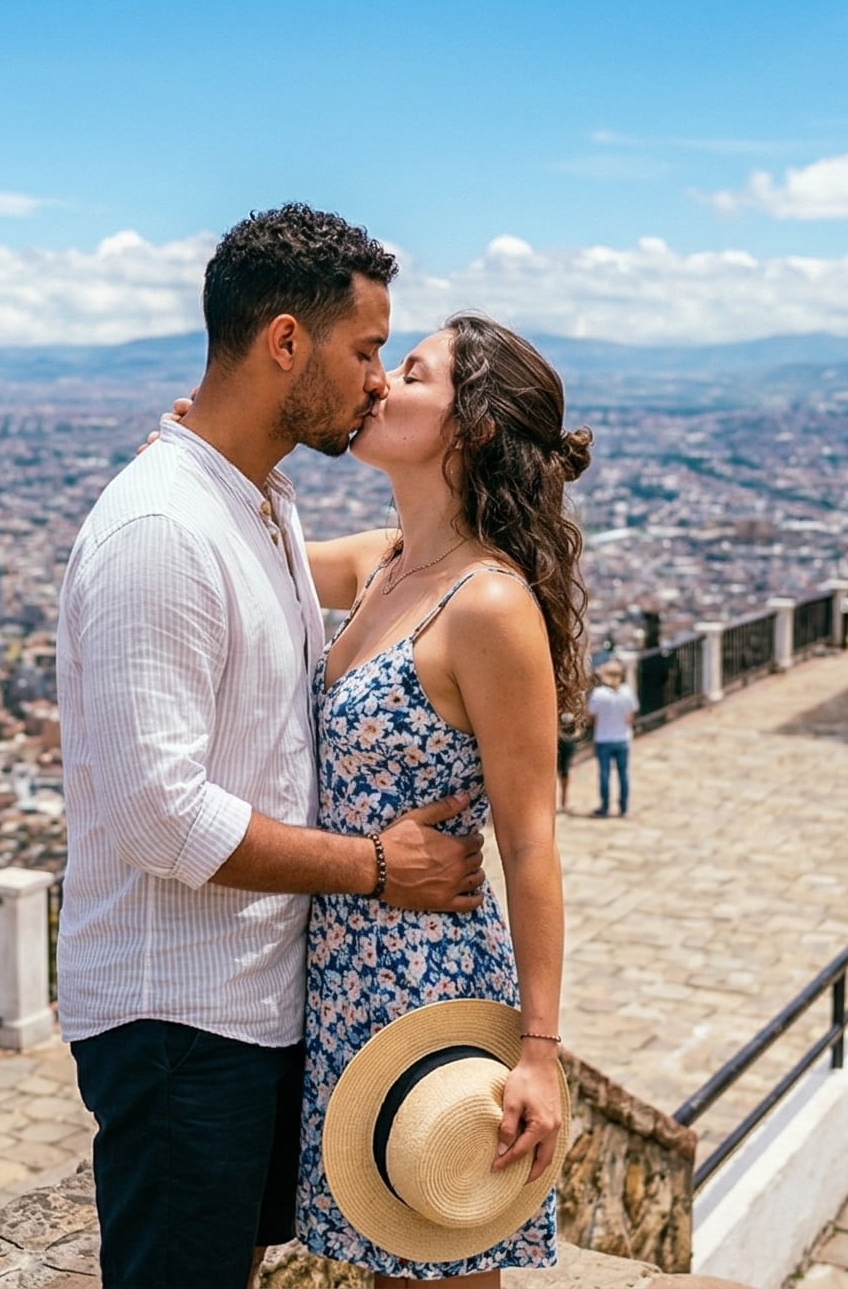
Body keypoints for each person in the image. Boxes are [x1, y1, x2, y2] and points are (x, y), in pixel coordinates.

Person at [58, 204, 488, 1289]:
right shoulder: (163, 530)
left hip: (241, 1008)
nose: (378, 380)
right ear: (285, 342)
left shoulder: (253, 506)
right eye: (363, 349)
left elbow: (384, 560)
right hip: (178, 1019)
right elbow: (160, 817)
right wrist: (379, 869)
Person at [289, 311, 588, 1284]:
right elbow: (252, 549)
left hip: (428, 975)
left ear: (472, 429)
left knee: (440, 1250)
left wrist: (538, 1052)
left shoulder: (488, 606)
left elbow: (531, 844)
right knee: (386, 1259)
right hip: (347, 969)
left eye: (410, 373)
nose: (379, 385)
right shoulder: (385, 564)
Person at [585, 659, 635, 818]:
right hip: (622, 738)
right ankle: (624, 807)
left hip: (604, 738)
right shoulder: (627, 692)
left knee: (605, 774)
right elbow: (630, 717)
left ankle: (605, 807)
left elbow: (591, 717)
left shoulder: (599, 694)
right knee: (623, 774)